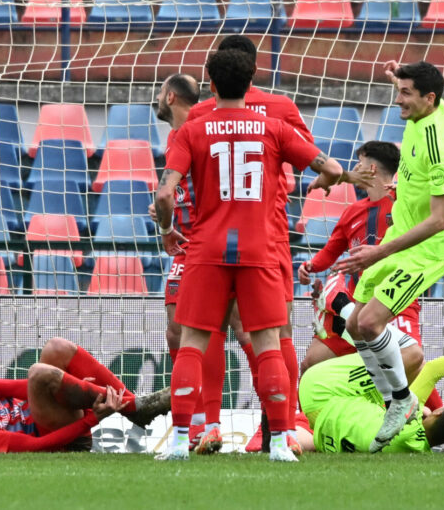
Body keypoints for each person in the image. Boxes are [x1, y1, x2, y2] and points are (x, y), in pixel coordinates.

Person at [154, 48, 371, 462]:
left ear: (210, 85)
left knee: (193, 343)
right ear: (251, 80)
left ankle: (181, 439)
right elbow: (330, 167)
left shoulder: (193, 128)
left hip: (207, 248)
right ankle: (281, 442)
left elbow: (165, 194)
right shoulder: (274, 127)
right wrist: (324, 183)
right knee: (269, 342)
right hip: (261, 248)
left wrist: (167, 231)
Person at [186, 34, 313, 452]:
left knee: (204, 329)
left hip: (211, 235)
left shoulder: (202, 113)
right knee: (275, 332)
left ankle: (207, 425)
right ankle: (283, 429)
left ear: (212, 76)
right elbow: (307, 159)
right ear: (254, 69)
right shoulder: (281, 109)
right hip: (268, 234)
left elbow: (180, 174)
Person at [333, 61, 444, 452]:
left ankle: (401, 400)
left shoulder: (440, 148)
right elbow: (427, 94)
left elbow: (439, 221)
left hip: (426, 249)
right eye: (399, 91)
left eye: (405, 93)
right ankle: (394, 399)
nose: (398, 100)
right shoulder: (433, 109)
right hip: (400, 234)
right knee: (354, 324)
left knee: (370, 322)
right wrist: (398, 78)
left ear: (429, 98)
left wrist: (379, 251)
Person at [299, 141, 441, 417]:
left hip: (397, 301)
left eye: (359, 163)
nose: (354, 169)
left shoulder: (405, 203)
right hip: (357, 305)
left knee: (410, 362)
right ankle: (305, 425)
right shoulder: (352, 212)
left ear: (371, 168)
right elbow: (331, 253)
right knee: (310, 364)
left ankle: (437, 420)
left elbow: (436, 224)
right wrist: (309, 266)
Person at [0, 338, 170, 453]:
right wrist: (92, 419)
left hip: (49, 410)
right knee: (38, 372)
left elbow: (12, 387)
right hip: (60, 438)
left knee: (56, 348)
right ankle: (134, 407)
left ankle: (134, 407)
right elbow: (35, 447)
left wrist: (71, 387)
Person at [153, 72, 228, 454]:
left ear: (170, 97)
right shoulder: (174, 138)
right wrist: (164, 211)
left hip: (210, 241)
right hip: (184, 244)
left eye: (159, 93)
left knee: (225, 330)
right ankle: (200, 422)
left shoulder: (204, 130)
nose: (157, 99)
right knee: (176, 330)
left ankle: (218, 423)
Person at [295, 341, 444, 454]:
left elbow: (431, 370)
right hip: (321, 421)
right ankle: (290, 437)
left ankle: (350, 318)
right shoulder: (416, 450)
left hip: (320, 387)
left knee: (412, 357)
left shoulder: (410, 414)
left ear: (439, 412)